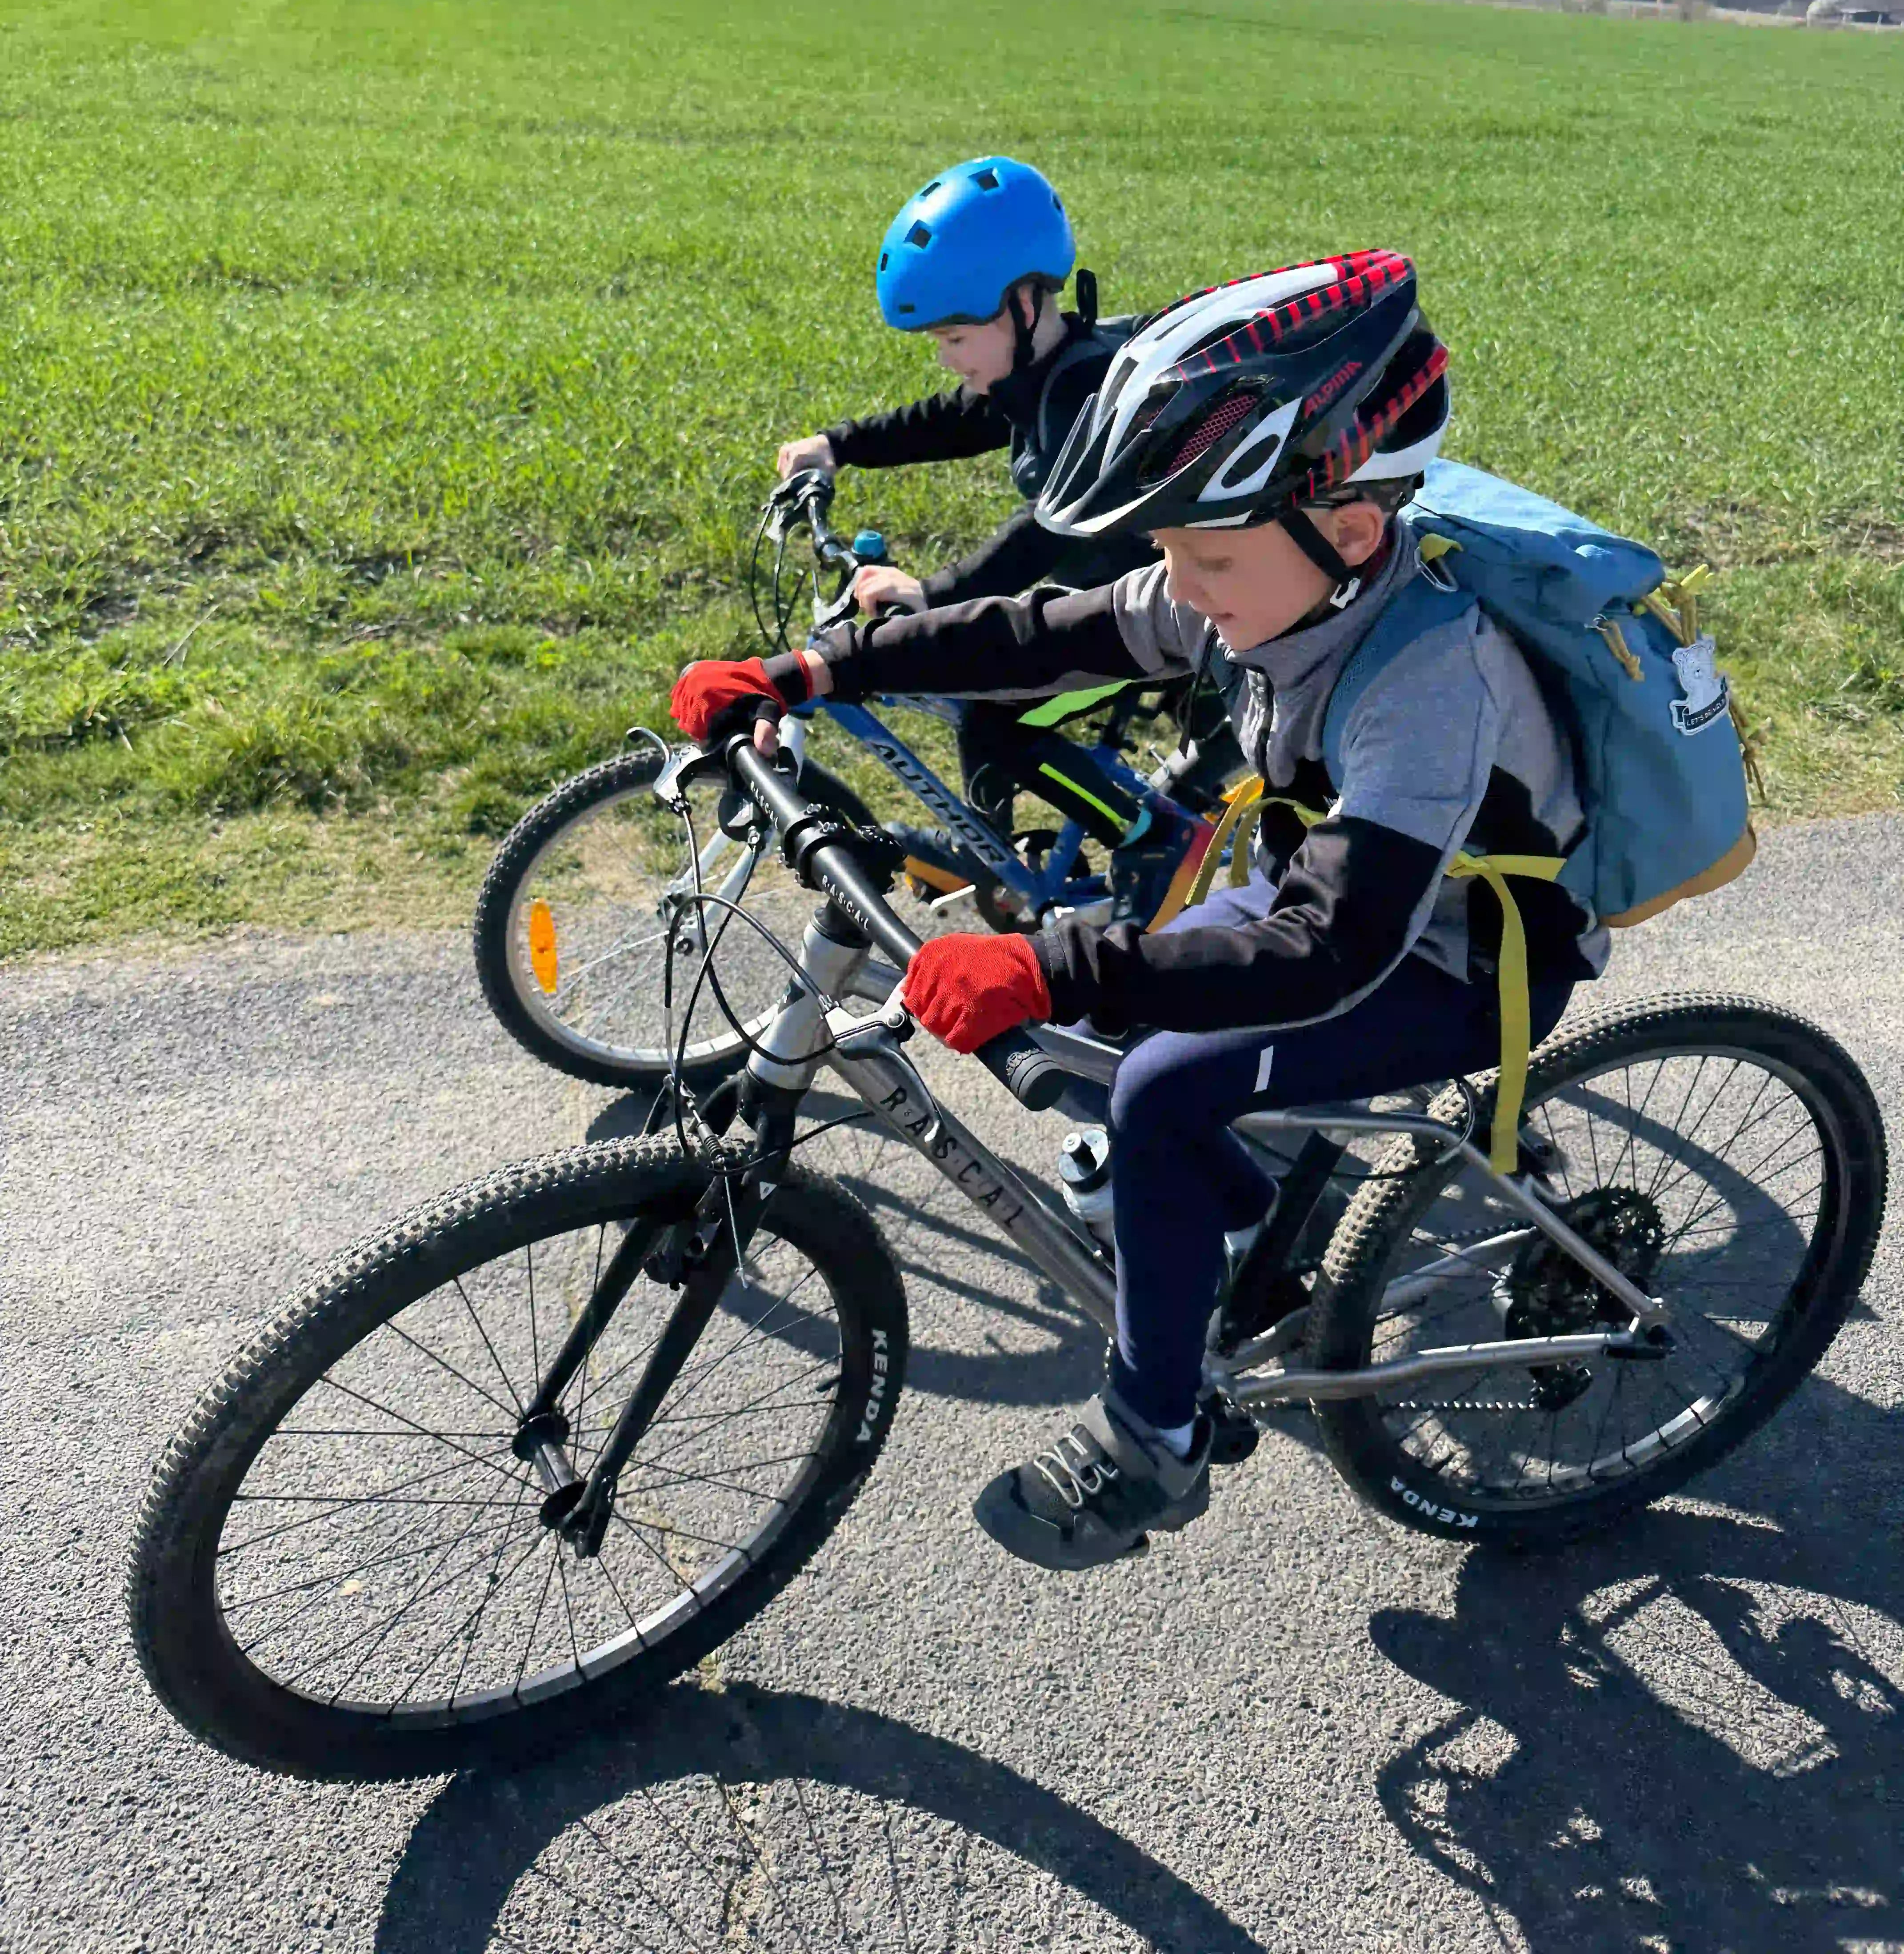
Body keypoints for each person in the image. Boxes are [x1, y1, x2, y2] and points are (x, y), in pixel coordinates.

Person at [673, 250, 1610, 1573]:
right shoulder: (1256, 580)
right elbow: (1038, 633)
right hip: (1336, 885)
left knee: (1163, 1087)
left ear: (1350, 533)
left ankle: (1154, 1437)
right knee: (1131, 1038)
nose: (1181, 585)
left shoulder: (1428, 684)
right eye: (1166, 550)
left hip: (1454, 958)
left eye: (1204, 556)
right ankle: (1232, 1215)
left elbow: (1325, 951)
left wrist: (1051, 965)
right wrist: (817, 669)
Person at [776, 153, 1225, 922]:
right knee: (975, 674)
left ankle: (1156, 838)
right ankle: (996, 860)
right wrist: (838, 446)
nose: (947, 358)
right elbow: (950, 421)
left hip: (1156, 614)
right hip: (1102, 594)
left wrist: (934, 594)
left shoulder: (1086, 391)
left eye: (955, 337)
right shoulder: (1042, 373)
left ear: (1022, 303)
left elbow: (1043, 533)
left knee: (993, 710)